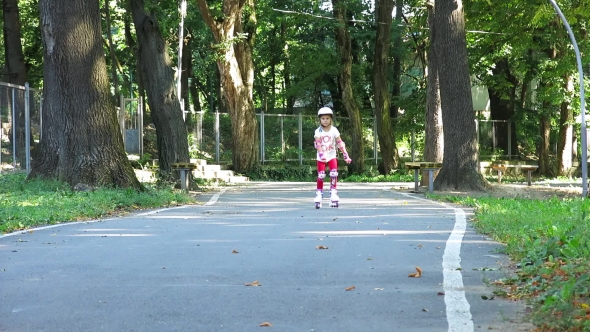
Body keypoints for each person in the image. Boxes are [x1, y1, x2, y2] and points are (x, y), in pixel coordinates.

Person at [313, 107, 352, 208]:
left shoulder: (334, 130)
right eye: (323, 119)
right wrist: (321, 154)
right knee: (321, 175)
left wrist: (345, 153)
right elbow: (317, 143)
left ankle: (333, 192)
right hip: (321, 157)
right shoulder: (318, 131)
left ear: (331, 119)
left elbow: (339, 142)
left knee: (334, 174)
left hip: (331, 156)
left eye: (327, 118)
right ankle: (319, 193)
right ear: (320, 120)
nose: (325, 121)